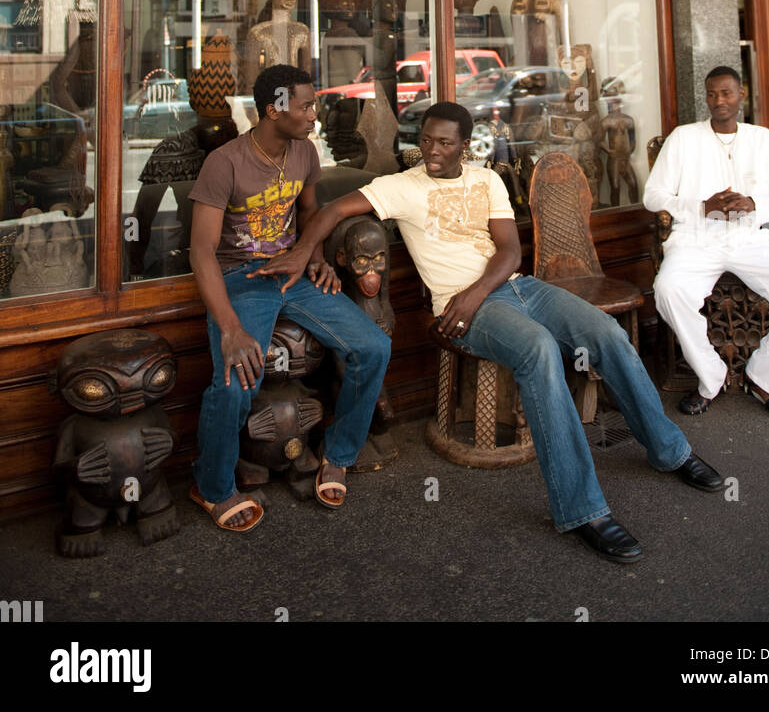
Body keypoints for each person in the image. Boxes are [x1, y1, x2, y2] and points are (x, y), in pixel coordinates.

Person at [261, 101, 723, 565]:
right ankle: (584, 509)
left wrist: (478, 291)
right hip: (462, 310)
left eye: (444, 143)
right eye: (425, 140)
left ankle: (670, 451)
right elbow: (330, 210)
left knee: (604, 332)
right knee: (539, 351)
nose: (432, 150)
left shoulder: (487, 180)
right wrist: (308, 254)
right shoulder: (399, 187)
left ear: (465, 144)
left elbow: (510, 252)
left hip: (516, 289)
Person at [187, 63, 390, 531]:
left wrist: (313, 255)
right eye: (305, 105)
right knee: (237, 380)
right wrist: (232, 330)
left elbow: (309, 210)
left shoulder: (304, 152)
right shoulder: (225, 162)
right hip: (241, 279)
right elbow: (201, 253)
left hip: (292, 274)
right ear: (273, 109)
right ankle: (212, 485)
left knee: (373, 346)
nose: (314, 113)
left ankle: (338, 455)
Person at [644, 66, 769, 420]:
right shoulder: (683, 138)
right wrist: (700, 206)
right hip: (695, 238)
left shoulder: (762, 139)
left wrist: (755, 204)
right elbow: (653, 196)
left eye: (726, 93)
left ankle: (765, 378)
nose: (719, 101)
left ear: (741, 94)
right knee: (668, 290)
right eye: (712, 94)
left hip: (749, 238)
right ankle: (711, 377)